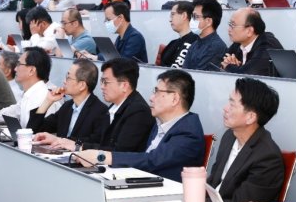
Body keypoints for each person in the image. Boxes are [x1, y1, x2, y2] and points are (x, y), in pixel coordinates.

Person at [77, 69, 205, 183]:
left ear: (175, 99)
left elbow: (152, 160)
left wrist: (102, 156)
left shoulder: (188, 132)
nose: (151, 98)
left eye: (157, 92)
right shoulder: (160, 124)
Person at [206, 77, 283, 202]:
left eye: (232, 104)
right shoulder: (229, 137)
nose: (225, 108)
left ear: (250, 117)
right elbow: (213, 183)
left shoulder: (268, 158)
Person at [50, 59, 154, 153]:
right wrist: (63, 141)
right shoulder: (114, 107)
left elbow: (119, 152)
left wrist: (78, 147)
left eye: (106, 82)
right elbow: (97, 140)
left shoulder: (139, 111)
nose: (102, 87)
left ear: (124, 85)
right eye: (102, 81)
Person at [28, 60, 109, 142]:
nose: (64, 81)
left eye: (68, 78)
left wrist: (59, 140)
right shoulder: (67, 106)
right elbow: (34, 129)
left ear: (82, 85)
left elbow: (95, 142)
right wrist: (48, 101)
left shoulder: (101, 111)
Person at [0, 47, 60, 127]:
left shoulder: (44, 97)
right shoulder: (31, 93)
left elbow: (40, 132)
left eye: (19, 64)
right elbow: (13, 111)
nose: (15, 69)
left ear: (31, 70)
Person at [221, 8, 283, 75]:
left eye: (233, 25)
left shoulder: (267, 45)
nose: (229, 29)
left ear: (249, 31)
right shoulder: (239, 42)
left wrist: (228, 66)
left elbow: (249, 74)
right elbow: (220, 63)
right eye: (230, 24)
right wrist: (232, 66)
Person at [82, 1, 148, 62]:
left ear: (120, 18)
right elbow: (112, 56)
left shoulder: (135, 37)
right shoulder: (120, 38)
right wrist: (91, 55)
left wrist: (95, 57)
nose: (105, 22)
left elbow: (124, 62)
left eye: (108, 19)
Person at [182, 0, 227, 71]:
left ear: (208, 21)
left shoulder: (216, 47)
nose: (192, 20)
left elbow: (201, 74)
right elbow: (185, 70)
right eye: (192, 16)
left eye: (196, 17)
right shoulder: (195, 44)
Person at [160, 1, 199, 68]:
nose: (170, 20)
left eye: (173, 14)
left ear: (184, 16)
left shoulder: (195, 42)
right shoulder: (172, 43)